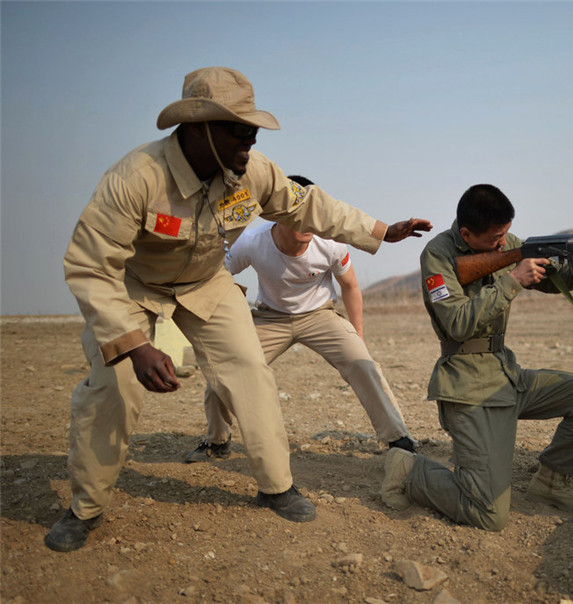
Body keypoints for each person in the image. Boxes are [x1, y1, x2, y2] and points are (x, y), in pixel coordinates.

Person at [47, 66, 431, 552]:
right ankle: (85, 509)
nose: (248, 142)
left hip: (207, 284)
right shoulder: (135, 179)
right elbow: (90, 267)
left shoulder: (253, 173)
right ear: (196, 127)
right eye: (238, 131)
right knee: (114, 387)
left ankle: (277, 487)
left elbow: (309, 206)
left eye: (252, 131)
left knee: (249, 371)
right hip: (135, 289)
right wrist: (136, 345)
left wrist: (380, 230)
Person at [380, 184, 573, 531]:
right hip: (470, 390)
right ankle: (410, 470)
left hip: (507, 376)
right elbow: (457, 323)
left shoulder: (509, 243)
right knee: (487, 514)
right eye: (496, 238)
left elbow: (559, 279)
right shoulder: (438, 255)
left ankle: (552, 480)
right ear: (466, 234)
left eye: (506, 234)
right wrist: (512, 281)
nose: (505, 244)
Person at [184, 175, 416, 463]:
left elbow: (351, 287)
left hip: (320, 315)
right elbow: (215, 275)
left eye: (313, 215)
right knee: (222, 371)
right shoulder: (252, 242)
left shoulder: (330, 243)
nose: (308, 224)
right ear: (278, 215)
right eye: (298, 215)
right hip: (271, 318)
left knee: (363, 363)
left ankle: (398, 438)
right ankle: (216, 442)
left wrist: (357, 336)